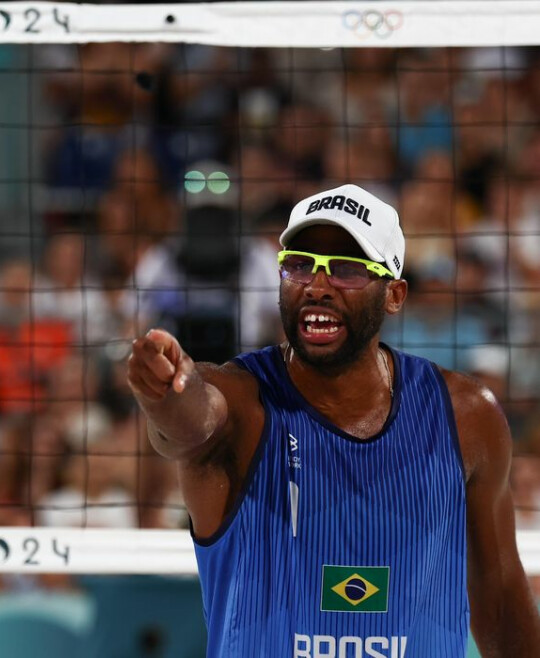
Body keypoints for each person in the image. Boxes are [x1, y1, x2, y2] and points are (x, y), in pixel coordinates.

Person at [127, 183, 540, 657]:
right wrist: (163, 394)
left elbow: (502, 594)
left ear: (395, 294)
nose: (317, 286)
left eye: (345, 270)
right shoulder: (240, 401)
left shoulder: (468, 416)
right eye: (300, 265)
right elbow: (189, 423)